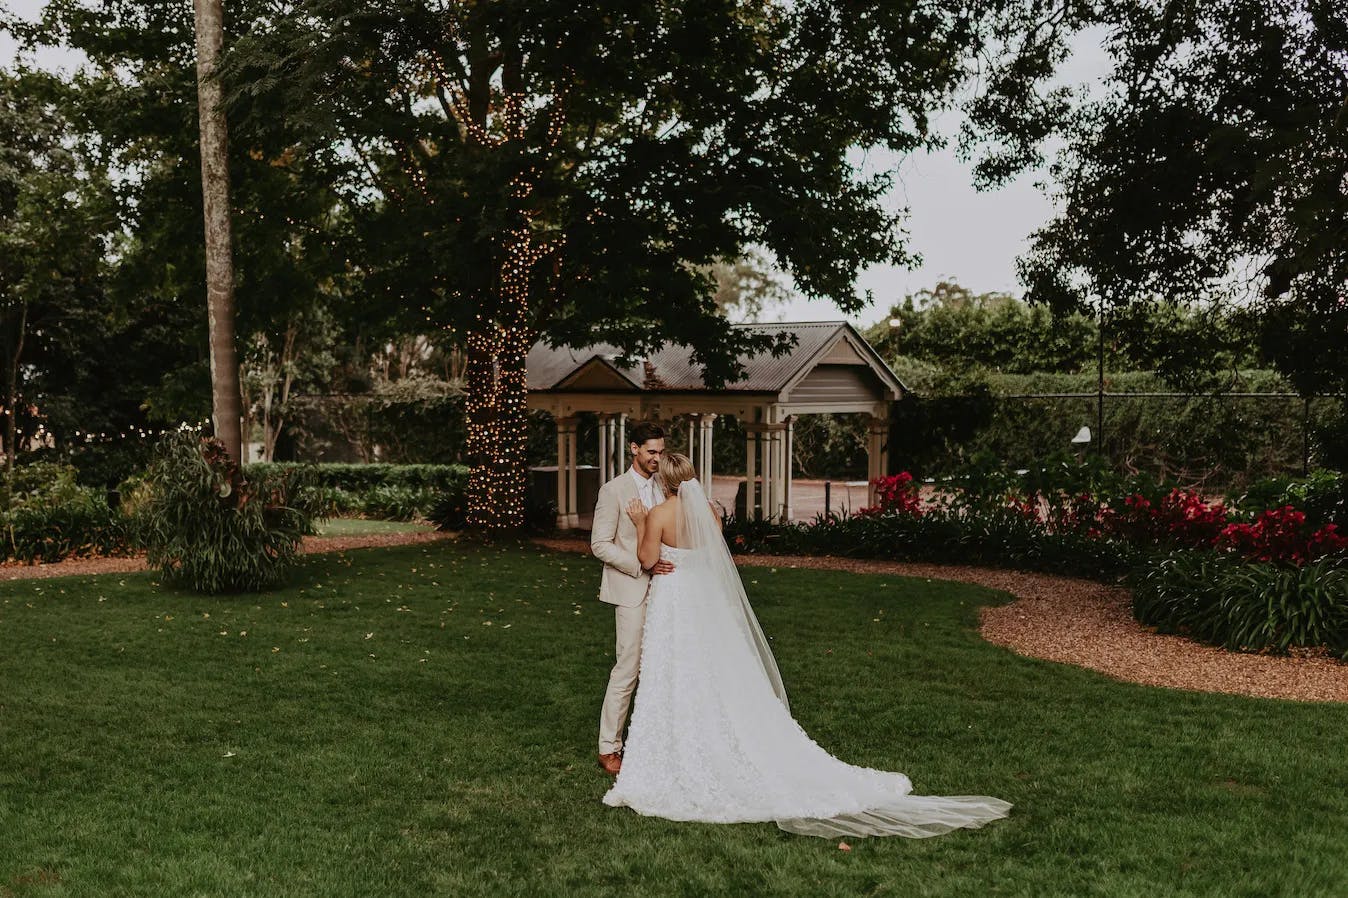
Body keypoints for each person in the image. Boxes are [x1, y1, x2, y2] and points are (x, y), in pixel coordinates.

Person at [603, 452, 1012, 839]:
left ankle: (682, 746)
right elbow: (713, 553)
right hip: (705, 600)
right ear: (690, 479)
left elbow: (646, 557)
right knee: (716, 668)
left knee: (675, 670)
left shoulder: (657, 513)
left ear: (664, 482)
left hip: (675, 600)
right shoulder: (708, 512)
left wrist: (640, 524)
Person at [590, 421, 674, 777]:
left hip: (669, 592)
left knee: (664, 666)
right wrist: (643, 566)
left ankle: (657, 741)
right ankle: (609, 747)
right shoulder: (614, 491)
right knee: (628, 669)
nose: (657, 458)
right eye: (651, 451)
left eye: (661, 452)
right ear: (634, 449)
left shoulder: (668, 487)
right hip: (632, 591)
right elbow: (599, 544)